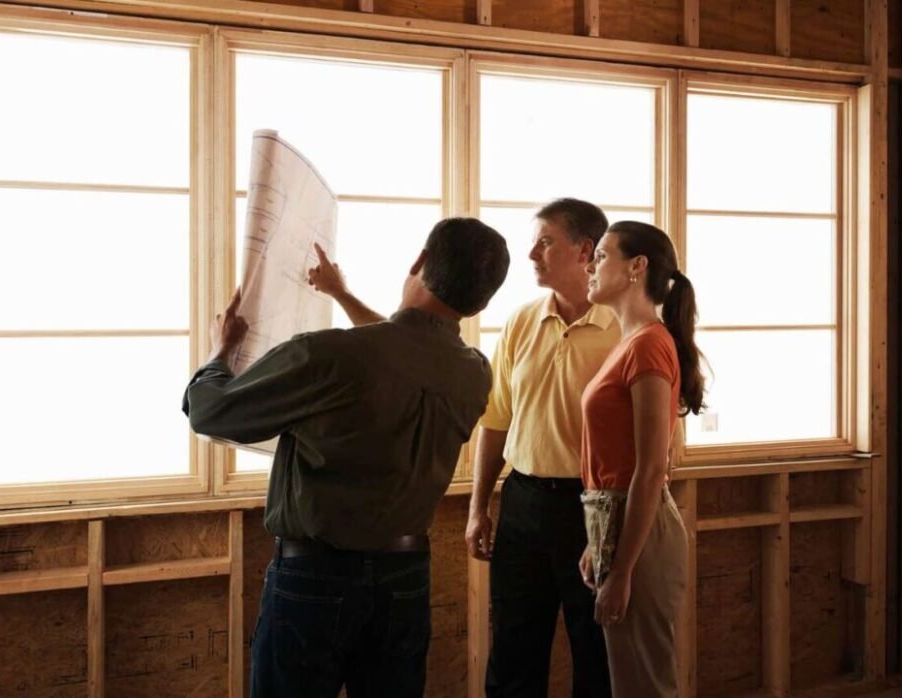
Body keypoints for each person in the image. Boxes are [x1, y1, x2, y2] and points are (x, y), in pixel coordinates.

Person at [182, 217, 510, 698]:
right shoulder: (474, 374)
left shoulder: (330, 355)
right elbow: (409, 349)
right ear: (481, 302)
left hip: (315, 575)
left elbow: (210, 412)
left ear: (418, 261)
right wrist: (342, 294)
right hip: (407, 579)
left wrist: (219, 352)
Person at [466, 198, 619, 697]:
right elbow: (494, 422)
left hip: (593, 509)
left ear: (585, 251)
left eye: (545, 241)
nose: (530, 252)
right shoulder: (520, 322)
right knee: (513, 649)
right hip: (524, 503)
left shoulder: (625, 328)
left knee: (595, 650)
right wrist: (478, 508)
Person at [579, 220, 706, 698]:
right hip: (619, 519)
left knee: (644, 685)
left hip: (642, 529)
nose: (591, 266)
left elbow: (651, 468)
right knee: (629, 680)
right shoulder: (631, 343)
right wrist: (599, 544)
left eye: (603, 255)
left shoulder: (650, 344)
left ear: (637, 267)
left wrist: (624, 567)